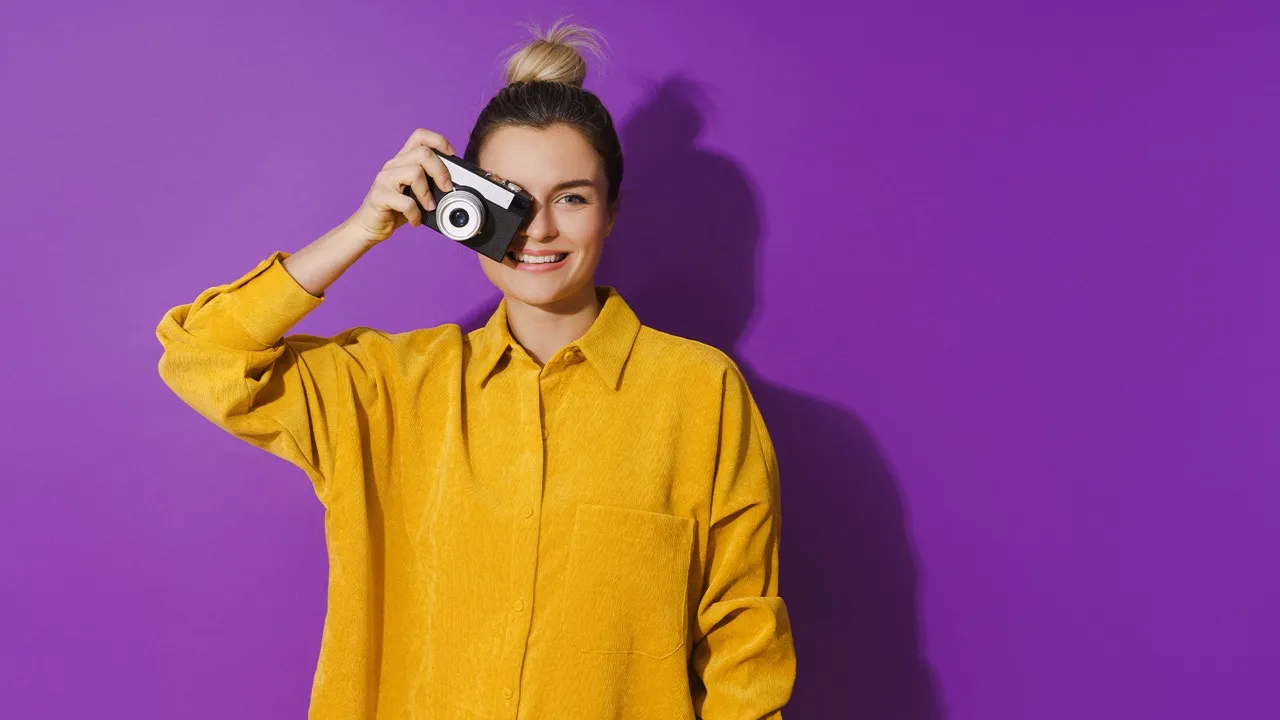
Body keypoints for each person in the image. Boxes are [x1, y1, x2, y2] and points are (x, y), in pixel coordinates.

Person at [155, 19, 796, 719]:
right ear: (465, 205)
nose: (539, 229)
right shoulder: (388, 387)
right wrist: (362, 227)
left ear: (611, 213)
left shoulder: (699, 391)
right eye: (511, 200)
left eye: (572, 197)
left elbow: (744, 645)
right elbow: (203, 354)